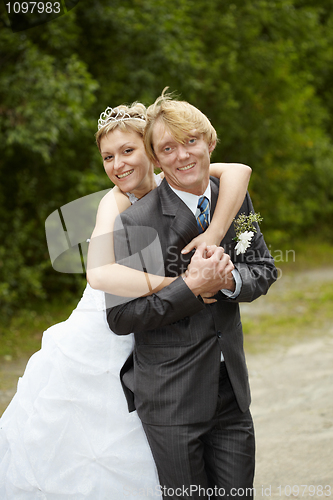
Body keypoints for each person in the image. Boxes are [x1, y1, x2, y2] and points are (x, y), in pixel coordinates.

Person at [0, 100, 252, 499]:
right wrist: (184, 281)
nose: (118, 165)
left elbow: (239, 171)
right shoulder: (114, 203)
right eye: (108, 157)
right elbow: (100, 274)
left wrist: (216, 229)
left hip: (163, 338)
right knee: (98, 433)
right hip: (107, 329)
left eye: (128, 151)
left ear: (151, 153)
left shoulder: (177, 179)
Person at [107, 92, 277, 499]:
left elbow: (263, 268)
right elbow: (121, 317)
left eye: (190, 141)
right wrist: (191, 289)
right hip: (172, 401)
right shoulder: (135, 222)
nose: (183, 155)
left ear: (209, 142)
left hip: (231, 394)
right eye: (167, 148)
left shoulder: (234, 199)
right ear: (156, 159)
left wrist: (229, 282)